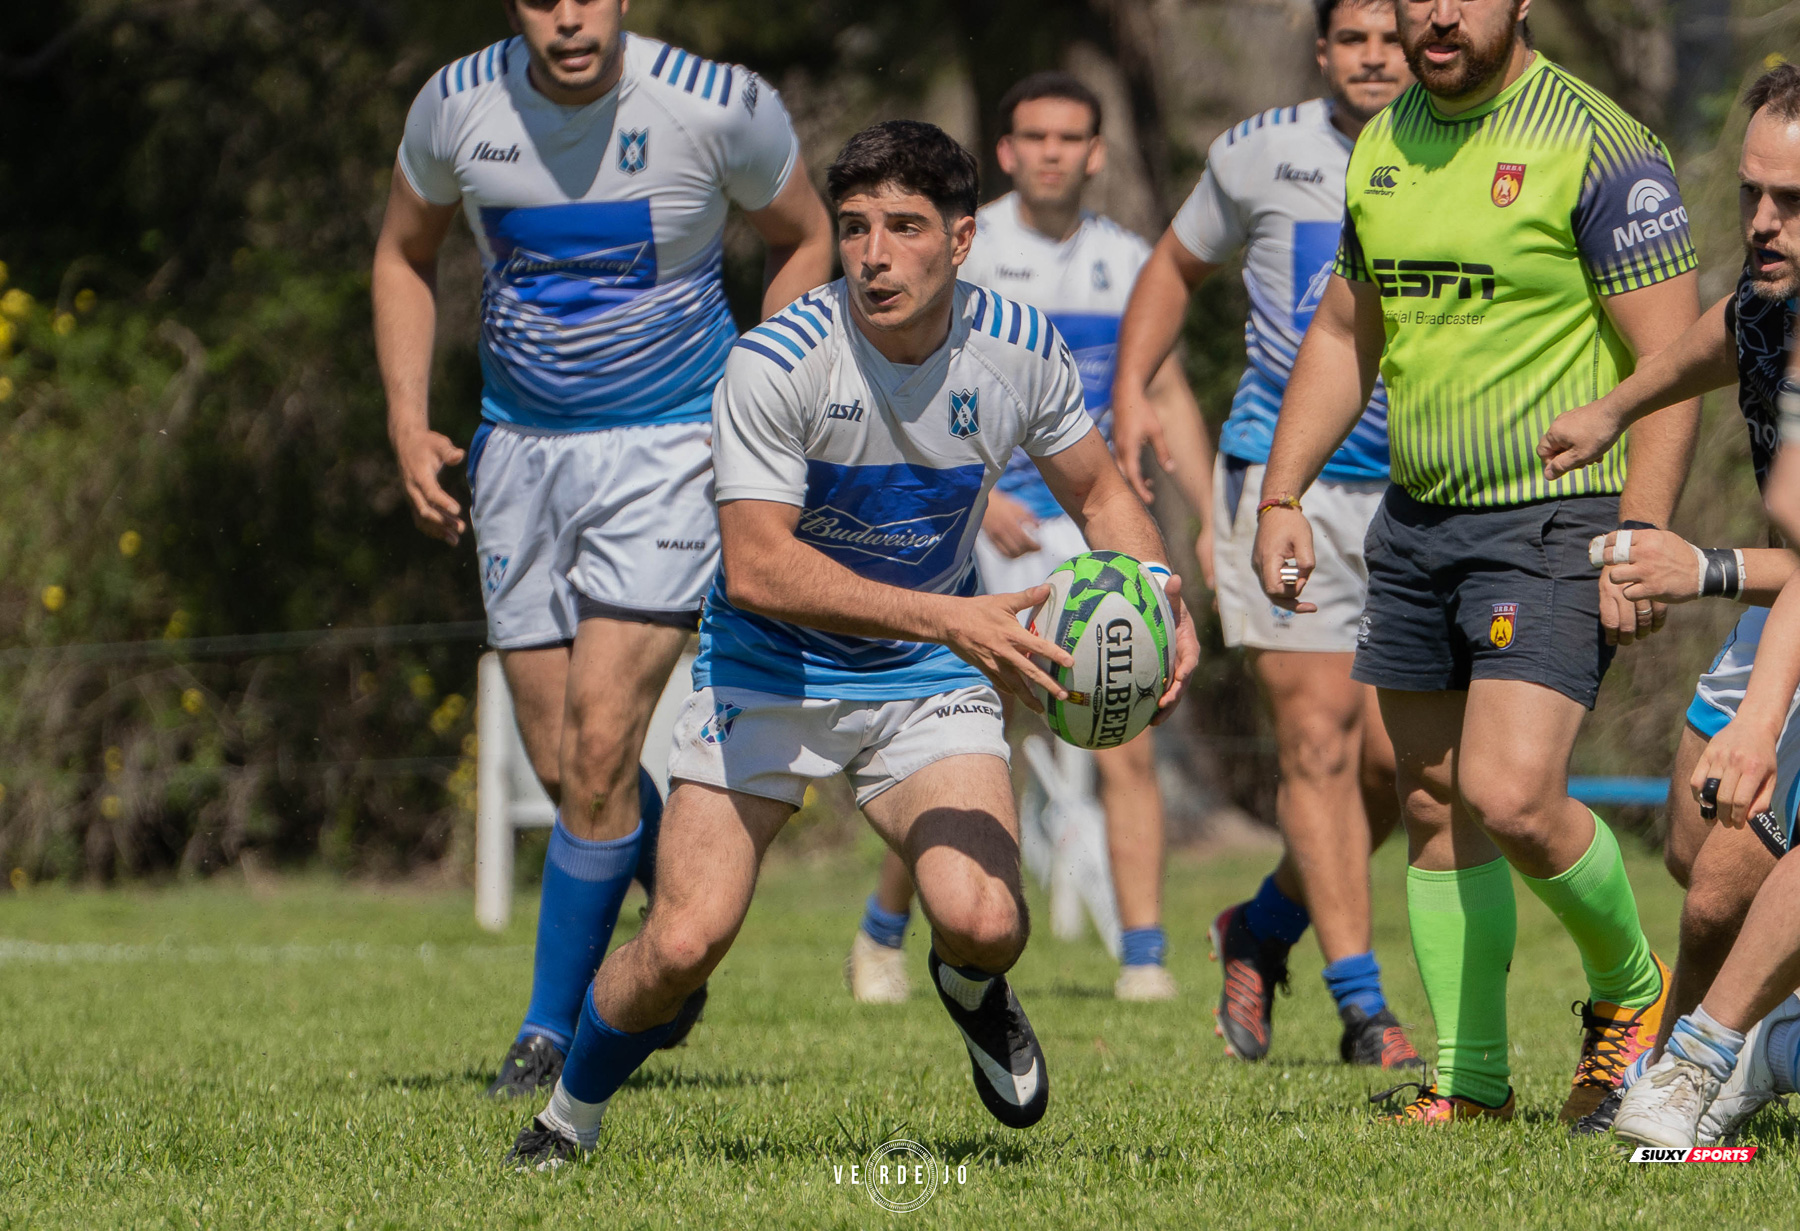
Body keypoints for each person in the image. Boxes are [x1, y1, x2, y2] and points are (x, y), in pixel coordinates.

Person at [502, 119, 1200, 1166]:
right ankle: (568, 1117)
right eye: (857, 226)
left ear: (961, 238)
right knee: (684, 939)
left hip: (925, 674)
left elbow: (1102, 493)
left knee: (988, 920)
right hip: (769, 664)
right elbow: (758, 567)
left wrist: (1160, 596)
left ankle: (969, 986)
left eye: (906, 227)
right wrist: (951, 616)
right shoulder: (777, 361)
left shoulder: (1019, 346)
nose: (874, 254)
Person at [1251, 0, 1703, 1127]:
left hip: (1555, 518)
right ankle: (1473, 1081)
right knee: (1433, 798)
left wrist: (1640, 532)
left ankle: (1632, 987)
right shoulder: (1385, 138)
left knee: (1511, 794)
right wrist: (1280, 492)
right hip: (1415, 523)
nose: (1440, 14)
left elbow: (1673, 361)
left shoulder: (1600, 146)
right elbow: (1346, 333)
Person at [370, 0, 832, 1098]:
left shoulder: (718, 105)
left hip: (670, 448)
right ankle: (675, 917)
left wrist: (765, 402)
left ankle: (550, 1029)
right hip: (519, 453)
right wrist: (405, 420)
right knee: (568, 764)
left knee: (596, 744)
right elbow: (402, 253)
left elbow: (807, 235)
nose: (569, 17)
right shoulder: (455, 104)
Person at [844, 71, 1211, 1007]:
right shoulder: (965, 245)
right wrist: (979, 502)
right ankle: (882, 933)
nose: (1052, 153)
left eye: (1069, 137)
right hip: (981, 536)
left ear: (1096, 153)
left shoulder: (1127, 259)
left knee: (1123, 719)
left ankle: (1143, 955)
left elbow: (1163, 389)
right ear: (1007, 152)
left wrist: (1212, 517)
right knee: (954, 742)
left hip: (1092, 536)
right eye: (1034, 137)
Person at [1111, 0, 1421, 1068]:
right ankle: (1363, 1008)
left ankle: (1261, 925)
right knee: (1318, 742)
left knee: (1396, 768)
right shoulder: (1259, 151)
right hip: (1285, 486)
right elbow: (1170, 268)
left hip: (1425, 488)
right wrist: (1131, 389)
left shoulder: (1466, 149)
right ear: (1322, 50)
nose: (1374, 56)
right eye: (1354, 38)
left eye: (1390, 36)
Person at [1530, 62, 1800, 1134]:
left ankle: (1685, 1066)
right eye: (1752, 194)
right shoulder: (1771, 306)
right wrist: (1612, 408)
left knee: (1726, 882)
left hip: (1772, 594)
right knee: (1697, 852)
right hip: (1780, 607)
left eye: (1793, 201)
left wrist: (1704, 570)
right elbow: (1715, 335)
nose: (1764, 222)